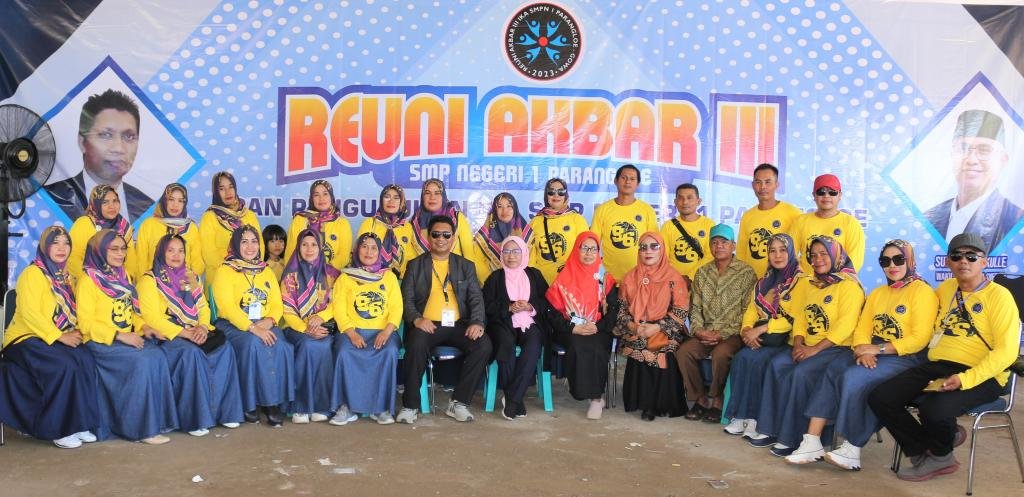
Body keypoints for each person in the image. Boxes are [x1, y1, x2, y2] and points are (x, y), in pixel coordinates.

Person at [869, 233, 1021, 482]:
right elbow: (918, 313)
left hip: (984, 374)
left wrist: (965, 379)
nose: (964, 261)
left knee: (933, 408)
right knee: (881, 396)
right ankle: (928, 447)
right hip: (939, 365)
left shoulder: (999, 297)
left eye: (971, 256)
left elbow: (1006, 353)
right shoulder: (946, 289)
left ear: (984, 262)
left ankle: (940, 455)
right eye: (956, 256)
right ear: (948, 262)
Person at [784, 239, 938, 469]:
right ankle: (812, 441)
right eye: (885, 261)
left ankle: (852, 447)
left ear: (910, 261)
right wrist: (862, 348)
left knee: (855, 377)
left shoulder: (923, 292)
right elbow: (863, 327)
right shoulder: (878, 293)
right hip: (872, 349)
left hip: (904, 356)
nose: (892, 266)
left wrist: (878, 349)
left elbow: (919, 339)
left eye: (898, 259)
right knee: (835, 368)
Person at [749, 236, 865, 456]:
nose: (818, 259)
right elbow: (801, 318)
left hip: (835, 348)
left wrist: (814, 349)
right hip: (807, 345)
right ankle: (769, 428)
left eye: (823, 254)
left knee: (800, 374)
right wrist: (798, 343)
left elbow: (846, 326)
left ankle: (792, 438)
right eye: (813, 255)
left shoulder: (849, 286)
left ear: (836, 256)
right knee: (776, 365)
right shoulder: (814, 283)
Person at [0, 226, 101, 449]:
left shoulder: (67, 277)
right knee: (63, 365)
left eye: (66, 243)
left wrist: (74, 331)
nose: (61, 248)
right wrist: (60, 336)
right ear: (45, 246)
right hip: (25, 338)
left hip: (53, 337)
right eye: (55, 243)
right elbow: (30, 313)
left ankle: (80, 423)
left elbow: (71, 310)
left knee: (85, 358)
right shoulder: (33, 273)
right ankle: (60, 430)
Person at [78, 229, 178, 444]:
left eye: (123, 249)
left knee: (157, 355)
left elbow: (132, 312)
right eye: (113, 249)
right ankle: (142, 430)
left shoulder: (123, 275)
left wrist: (144, 327)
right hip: (101, 342)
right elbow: (85, 324)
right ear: (100, 250)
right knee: (142, 361)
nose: (120, 254)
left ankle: (158, 422)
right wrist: (119, 335)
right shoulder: (88, 280)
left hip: (125, 337)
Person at [138, 234, 244, 436]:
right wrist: (185, 333)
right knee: (191, 354)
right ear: (161, 253)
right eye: (171, 250)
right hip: (166, 336)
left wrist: (203, 327)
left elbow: (202, 307)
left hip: (194, 330)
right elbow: (152, 318)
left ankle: (225, 413)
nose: (176, 255)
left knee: (224, 348)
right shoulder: (149, 280)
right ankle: (196, 419)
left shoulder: (190, 277)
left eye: (181, 251)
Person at [396, 215, 492, 424]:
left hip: (458, 325)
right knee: (415, 344)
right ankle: (410, 405)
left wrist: (477, 322)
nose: (441, 239)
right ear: (428, 237)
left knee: (483, 345)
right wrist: (417, 319)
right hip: (427, 324)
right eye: (436, 234)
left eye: (446, 235)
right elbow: (406, 299)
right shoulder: (415, 265)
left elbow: (476, 298)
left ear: (453, 238)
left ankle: (459, 402)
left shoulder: (465, 265)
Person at [722, 233, 803, 440]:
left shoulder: (800, 281)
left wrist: (760, 330)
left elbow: (794, 318)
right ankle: (740, 415)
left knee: (759, 362)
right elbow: (751, 309)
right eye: (772, 251)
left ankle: (755, 418)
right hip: (762, 338)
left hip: (785, 340)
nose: (777, 255)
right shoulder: (765, 281)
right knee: (742, 358)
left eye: (782, 250)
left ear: (791, 252)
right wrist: (747, 330)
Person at [212, 225, 295, 428]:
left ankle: (273, 402)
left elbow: (277, 303)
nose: (250, 247)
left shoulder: (265, 270)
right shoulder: (225, 270)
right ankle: (249, 403)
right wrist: (253, 328)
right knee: (253, 344)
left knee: (281, 345)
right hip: (234, 325)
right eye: (244, 242)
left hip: (265, 321)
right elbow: (227, 307)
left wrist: (270, 321)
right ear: (236, 245)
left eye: (254, 241)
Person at [676, 224, 756, 423]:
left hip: (733, 333)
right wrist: (698, 331)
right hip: (705, 331)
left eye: (724, 242)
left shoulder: (746, 273)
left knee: (721, 353)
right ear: (710, 246)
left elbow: (747, 311)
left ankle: (718, 399)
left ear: (733, 246)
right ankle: (700, 399)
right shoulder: (702, 273)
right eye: (715, 242)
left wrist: (723, 334)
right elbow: (695, 308)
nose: (719, 246)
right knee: (684, 352)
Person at [44, 89, 155, 222]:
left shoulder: (148, 208)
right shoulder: (49, 200)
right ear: (82, 142)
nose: (119, 148)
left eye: (129, 137)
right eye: (106, 135)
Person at [613, 232, 689, 420]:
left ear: (662, 250)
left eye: (654, 246)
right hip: (636, 327)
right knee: (639, 344)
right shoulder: (630, 277)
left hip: (667, 328)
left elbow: (681, 312)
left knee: (661, 349)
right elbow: (620, 312)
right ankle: (643, 403)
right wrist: (633, 326)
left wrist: (657, 327)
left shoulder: (673, 277)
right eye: (643, 247)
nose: (648, 251)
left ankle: (660, 404)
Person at [924, 110, 1023, 251]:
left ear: (1003, 160)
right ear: (952, 154)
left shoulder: (1016, 222)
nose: (971, 160)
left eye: (984, 150)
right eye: (963, 148)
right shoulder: (928, 219)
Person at [331, 233, 403, 424]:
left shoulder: (388, 277)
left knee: (389, 351)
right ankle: (345, 407)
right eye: (364, 247)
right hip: (352, 331)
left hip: (383, 332)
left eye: (373, 248)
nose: (368, 252)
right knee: (344, 352)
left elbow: (397, 308)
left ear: (380, 252)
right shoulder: (345, 277)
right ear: (356, 250)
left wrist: (387, 331)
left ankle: (381, 409)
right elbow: (338, 309)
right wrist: (351, 333)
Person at [545, 231, 617, 419]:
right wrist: (574, 328)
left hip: (598, 328)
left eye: (593, 249)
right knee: (578, 345)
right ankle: (582, 392)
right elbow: (552, 313)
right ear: (577, 250)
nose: (589, 253)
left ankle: (596, 398)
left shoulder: (605, 278)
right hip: (569, 329)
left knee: (596, 346)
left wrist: (597, 327)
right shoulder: (564, 276)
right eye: (584, 248)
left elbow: (614, 311)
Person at [482, 235, 549, 420]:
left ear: (524, 253)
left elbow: (547, 301)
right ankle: (516, 400)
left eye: (516, 251)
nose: (511, 256)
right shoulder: (495, 278)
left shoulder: (534, 275)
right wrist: (508, 307)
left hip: (529, 321)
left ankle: (511, 398)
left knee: (534, 344)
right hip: (503, 323)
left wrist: (530, 306)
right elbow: (486, 305)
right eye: (506, 251)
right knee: (505, 343)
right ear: (501, 254)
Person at [280, 229, 339, 425]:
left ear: (320, 247)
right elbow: (287, 310)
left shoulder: (331, 274)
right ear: (298, 247)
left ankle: (321, 405)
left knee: (323, 345)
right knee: (307, 345)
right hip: (295, 328)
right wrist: (305, 328)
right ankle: (301, 406)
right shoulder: (290, 275)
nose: (309, 249)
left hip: (323, 327)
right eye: (304, 244)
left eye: (314, 244)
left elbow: (338, 303)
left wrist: (321, 317)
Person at [590, 164, 660, 281]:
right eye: (624, 178)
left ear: (638, 184)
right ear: (616, 181)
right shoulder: (602, 210)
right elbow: (593, 243)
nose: (628, 182)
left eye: (632, 179)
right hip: (608, 278)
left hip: (639, 278)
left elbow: (655, 246)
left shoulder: (647, 210)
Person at [737, 163, 803, 278]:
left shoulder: (793, 213)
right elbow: (741, 252)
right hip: (752, 281)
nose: (763, 187)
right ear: (753, 185)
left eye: (768, 182)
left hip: (783, 282)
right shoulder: (748, 216)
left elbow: (804, 248)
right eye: (758, 182)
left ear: (777, 185)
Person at [791, 174, 865, 273]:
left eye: (832, 192)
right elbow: (788, 256)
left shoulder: (850, 223)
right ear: (814, 195)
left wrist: (835, 280)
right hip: (805, 281)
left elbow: (855, 262)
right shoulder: (800, 221)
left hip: (840, 281)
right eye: (821, 192)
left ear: (840, 195)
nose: (826, 196)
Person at [199, 172, 262, 285]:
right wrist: (232, 270)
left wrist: (247, 269)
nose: (228, 192)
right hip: (219, 278)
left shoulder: (249, 215)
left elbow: (260, 246)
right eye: (222, 189)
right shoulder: (209, 217)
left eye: (231, 187)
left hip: (248, 278)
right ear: (216, 192)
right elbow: (208, 253)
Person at [528, 178, 590, 284]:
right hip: (542, 283)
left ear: (565, 195)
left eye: (561, 192)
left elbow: (586, 252)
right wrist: (532, 281)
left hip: (570, 282)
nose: (556, 195)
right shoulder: (535, 222)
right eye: (551, 192)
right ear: (546, 195)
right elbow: (530, 258)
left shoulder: (577, 219)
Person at [68, 184, 136, 281]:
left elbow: (131, 261)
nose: (112, 206)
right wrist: (93, 281)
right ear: (96, 204)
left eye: (115, 201)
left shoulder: (123, 226)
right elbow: (73, 258)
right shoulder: (84, 223)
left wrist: (125, 281)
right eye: (105, 202)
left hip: (119, 283)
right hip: (89, 282)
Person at [136, 183, 204, 277]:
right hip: (153, 281)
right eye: (171, 199)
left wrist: (190, 281)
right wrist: (145, 281)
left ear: (184, 204)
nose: (175, 205)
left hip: (183, 282)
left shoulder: (191, 227)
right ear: (164, 201)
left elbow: (197, 262)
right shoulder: (148, 225)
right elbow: (141, 259)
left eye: (180, 201)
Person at [285, 180, 352, 273]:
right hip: (302, 276)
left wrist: (323, 273)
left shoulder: (342, 223)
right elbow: (290, 252)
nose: (321, 199)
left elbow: (343, 256)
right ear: (311, 199)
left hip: (331, 276)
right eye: (316, 195)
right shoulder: (299, 220)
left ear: (331, 197)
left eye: (325, 194)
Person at [472, 192, 533, 284]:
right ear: (494, 209)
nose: (504, 211)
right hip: (493, 284)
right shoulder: (485, 233)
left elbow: (531, 262)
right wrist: (493, 282)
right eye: (499, 207)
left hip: (522, 284)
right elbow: (478, 263)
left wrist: (520, 281)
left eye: (509, 206)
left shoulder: (526, 231)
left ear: (515, 208)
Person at [660, 183, 715, 282]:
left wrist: (689, 277)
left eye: (689, 198)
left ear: (698, 201)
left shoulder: (709, 225)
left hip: (702, 280)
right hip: (673, 281)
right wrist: (675, 278)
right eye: (681, 198)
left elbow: (710, 256)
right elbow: (663, 257)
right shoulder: (668, 226)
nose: (685, 202)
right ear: (675, 202)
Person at [408, 179, 474, 260]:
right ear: (422, 197)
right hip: (422, 268)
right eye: (427, 193)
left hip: (454, 267)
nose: (432, 197)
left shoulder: (457, 218)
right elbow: (410, 257)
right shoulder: (414, 222)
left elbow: (469, 255)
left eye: (437, 193)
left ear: (443, 196)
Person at [357, 184, 414, 277]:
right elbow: (359, 252)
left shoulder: (407, 226)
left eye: (396, 198)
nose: (391, 201)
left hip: (401, 279)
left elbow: (411, 256)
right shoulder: (370, 223)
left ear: (402, 202)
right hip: (372, 278)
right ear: (381, 200)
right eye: (387, 197)